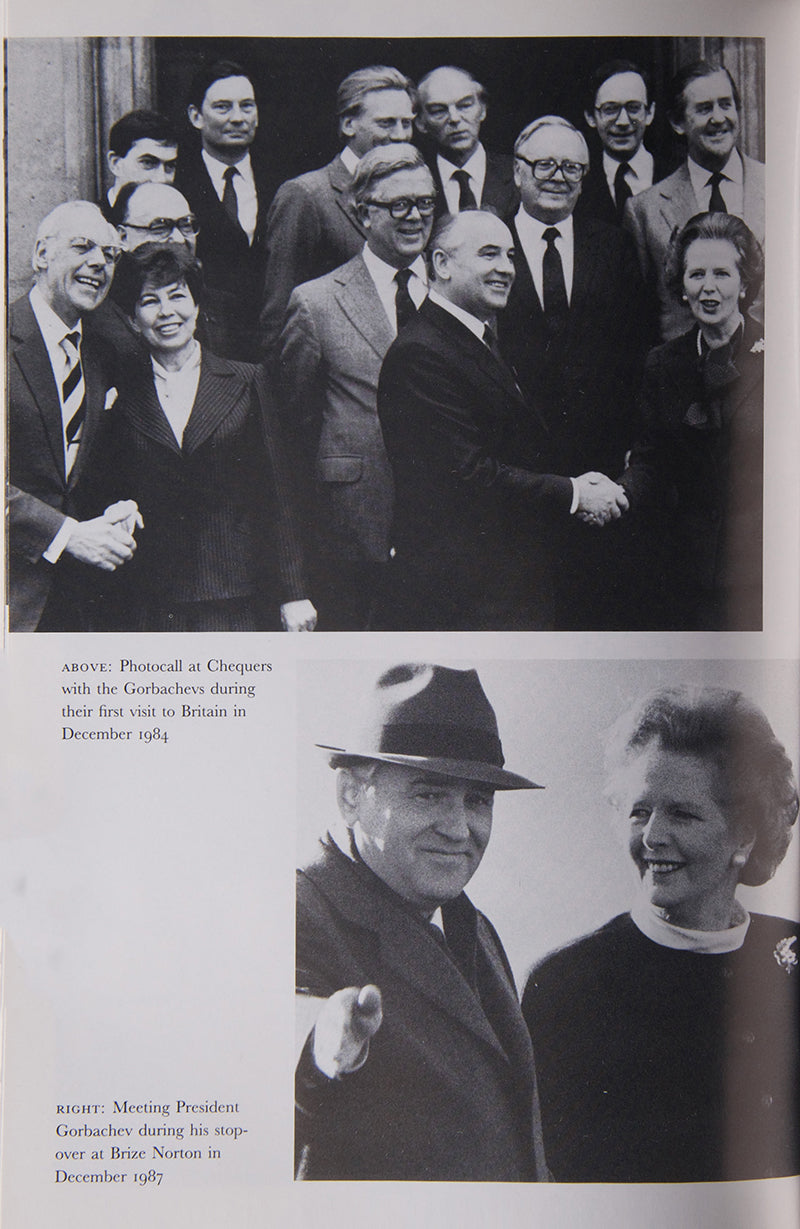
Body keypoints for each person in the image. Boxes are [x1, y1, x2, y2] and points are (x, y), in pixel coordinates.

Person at [522, 684, 799, 1183]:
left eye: (683, 814)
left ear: (744, 835)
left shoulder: (791, 955)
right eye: (640, 811)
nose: (651, 837)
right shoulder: (566, 984)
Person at [296, 662, 549, 1182]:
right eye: (428, 794)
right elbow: (281, 1036)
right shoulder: (298, 910)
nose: (458, 828)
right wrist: (319, 1048)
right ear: (350, 796)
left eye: (477, 801)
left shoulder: (471, 925)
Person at [376, 208, 628, 630]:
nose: (507, 269)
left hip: (503, 583)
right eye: (489, 254)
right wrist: (574, 494)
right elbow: (467, 475)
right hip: (465, 597)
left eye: (511, 255)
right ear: (441, 264)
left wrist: (579, 485)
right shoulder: (421, 353)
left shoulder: (475, 337)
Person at [96, 243, 316, 632]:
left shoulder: (247, 380)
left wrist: (293, 592)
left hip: (233, 593)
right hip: (149, 597)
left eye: (177, 296)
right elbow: (108, 483)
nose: (166, 311)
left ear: (197, 306)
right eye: (150, 301)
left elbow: (277, 493)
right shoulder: (121, 389)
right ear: (132, 319)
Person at [500, 115, 648, 628]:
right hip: (519, 473)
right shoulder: (490, 244)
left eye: (572, 167)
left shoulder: (613, 245)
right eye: (545, 164)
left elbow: (636, 350)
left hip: (600, 468)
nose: (558, 177)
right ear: (517, 172)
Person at [278, 145, 434, 630]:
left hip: (445, 524)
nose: (415, 217)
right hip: (356, 529)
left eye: (425, 203)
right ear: (363, 213)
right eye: (399, 205)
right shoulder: (317, 302)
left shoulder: (454, 289)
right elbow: (294, 429)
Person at [621, 212, 764, 630]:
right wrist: (618, 493)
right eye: (696, 274)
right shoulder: (663, 363)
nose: (708, 287)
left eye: (722, 273)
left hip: (762, 571)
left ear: (744, 284)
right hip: (685, 571)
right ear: (681, 286)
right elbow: (650, 460)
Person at [7, 201, 140, 631]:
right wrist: (65, 535)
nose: (99, 263)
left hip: (81, 602)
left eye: (110, 254)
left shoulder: (103, 349)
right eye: (83, 247)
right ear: (41, 254)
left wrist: (118, 504)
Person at [259, 66, 416, 364]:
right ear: (348, 124)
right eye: (386, 123)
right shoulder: (305, 195)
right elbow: (278, 317)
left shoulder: (417, 195)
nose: (400, 135)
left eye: (406, 123)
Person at [624, 60, 765, 340]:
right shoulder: (645, 211)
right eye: (704, 108)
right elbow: (640, 317)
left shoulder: (781, 186)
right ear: (677, 122)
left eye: (726, 104)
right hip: (685, 363)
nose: (718, 118)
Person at [175, 60, 270, 361]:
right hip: (207, 345)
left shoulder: (281, 179)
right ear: (196, 116)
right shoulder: (178, 184)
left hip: (272, 345)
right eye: (222, 107)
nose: (238, 118)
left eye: (246, 106)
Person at [92, 181, 202, 375]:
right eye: (160, 226)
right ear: (122, 237)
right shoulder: (98, 317)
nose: (178, 238)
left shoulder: (223, 310)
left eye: (185, 225)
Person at [415, 65, 518, 219]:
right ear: (421, 122)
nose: (454, 118)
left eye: (464, 106)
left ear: (482, 110)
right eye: (438, 111)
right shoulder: (415, 180)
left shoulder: (517, 173)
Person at [577, 60, 671, 226]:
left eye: (633, 108)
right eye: (610, 109)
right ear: (591, 117)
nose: (623, 121)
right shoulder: (579, 182)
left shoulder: (675, 174)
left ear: (650, 112)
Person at [101, 109, 179, 214]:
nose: (162, 179)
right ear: (115, 164)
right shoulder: (92, 220)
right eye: (148, 163)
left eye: (170, 166)